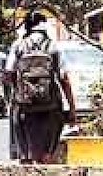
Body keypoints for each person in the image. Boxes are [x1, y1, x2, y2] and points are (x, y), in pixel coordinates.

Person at [5, 12, 76, 164]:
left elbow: (9, 72)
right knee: (49, 145)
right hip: (50, 106)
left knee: (17, 120)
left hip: (24, 105)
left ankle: (24, 157)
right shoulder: (52, 46)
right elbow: (64, 79)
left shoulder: (18, 46)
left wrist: (17, 92)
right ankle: (47, 157)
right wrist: (72, 109)